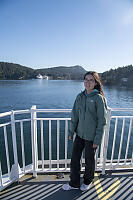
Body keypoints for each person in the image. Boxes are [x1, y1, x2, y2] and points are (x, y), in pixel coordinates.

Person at [62, 71, 107, 191]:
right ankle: (74, 183)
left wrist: (97, 140)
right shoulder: (80, 97)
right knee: (75, 160)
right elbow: (74, 116)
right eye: (86, 79)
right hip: (80, 135)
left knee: (89, 161)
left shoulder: (98, 98)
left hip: (91, 137)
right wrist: (71, 132)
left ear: (96, 82)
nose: (87, 82)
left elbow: (102, 121)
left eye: (91, 80)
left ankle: (87, 181)